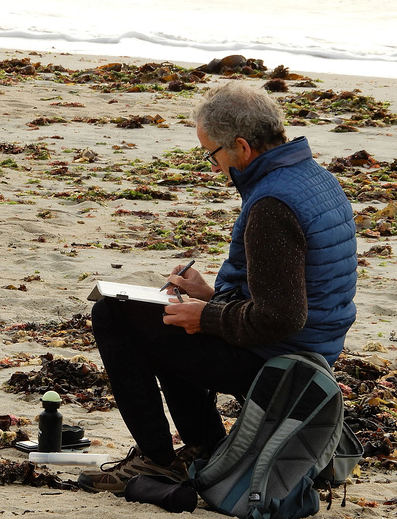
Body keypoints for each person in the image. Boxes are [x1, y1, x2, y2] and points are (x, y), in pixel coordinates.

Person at [78, 81, 357, 494]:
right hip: (312, 349)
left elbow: (282, 316)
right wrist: (210, 297)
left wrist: (207, 316)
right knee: (168, 319)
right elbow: (292, 290)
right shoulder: (311, 176)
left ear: (241, 148)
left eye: (211, 154)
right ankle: (205, 446)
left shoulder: (271, 205)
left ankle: (157, 459)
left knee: (112, 314)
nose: (212, 166)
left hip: (283, 363)